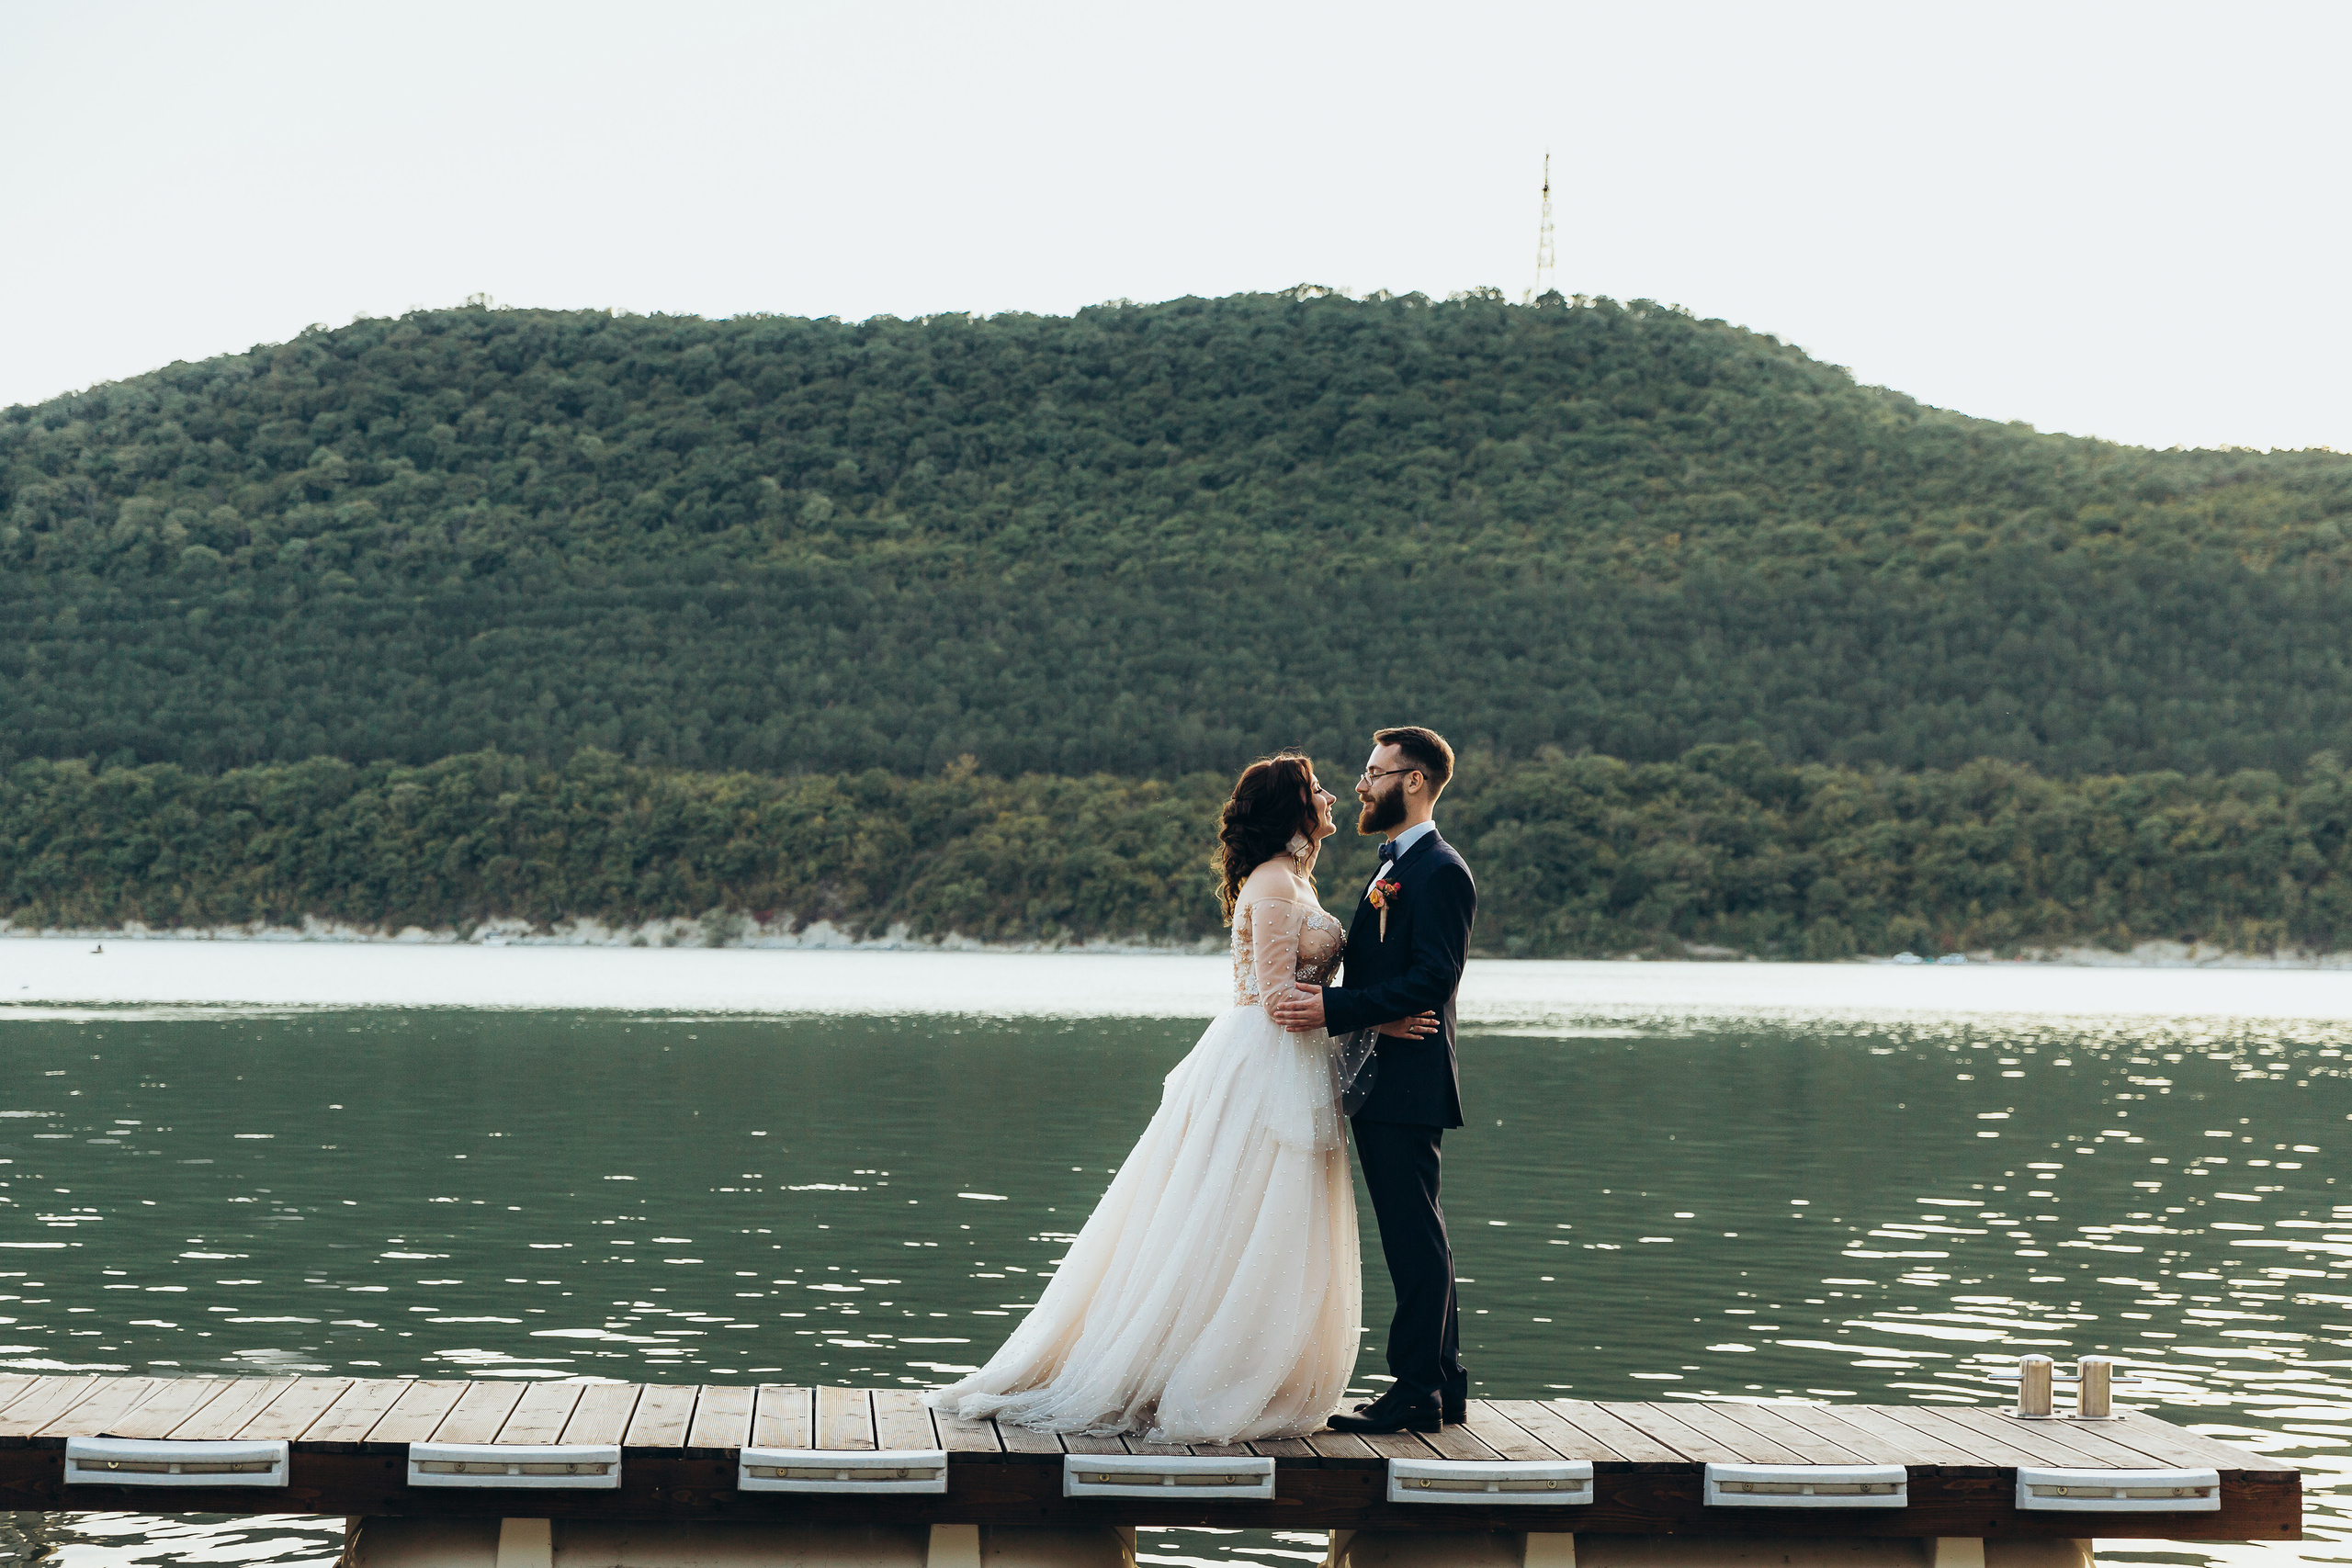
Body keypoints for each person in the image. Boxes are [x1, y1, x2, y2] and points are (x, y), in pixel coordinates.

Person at [924, 752, 1439, 1441]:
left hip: (1289, 1066)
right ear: (1292, 809)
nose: (1331, 793)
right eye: (1315, 788)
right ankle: (1196, 1371)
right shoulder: (1276, 885)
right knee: (1243, 1219)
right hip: (1265, 1069)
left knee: (1269, 1222)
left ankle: (1245, 1364)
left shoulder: (1294, 879)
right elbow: (1281, 1000)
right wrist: (1378, 1017)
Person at [1273, 726, 1475, 1435]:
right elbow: (1387, 975)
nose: (1359, 783)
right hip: (1388, 1074)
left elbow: (1432, 978)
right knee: (1420, 1234)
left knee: (1412, 1238)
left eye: (1373, 770)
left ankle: (1416, 1387)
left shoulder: (1440, 870)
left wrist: (1333, 1007)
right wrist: (1364, 1017)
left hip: (1411, 1079)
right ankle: (1443, 1381)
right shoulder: (1392, 865)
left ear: (1412, 780)